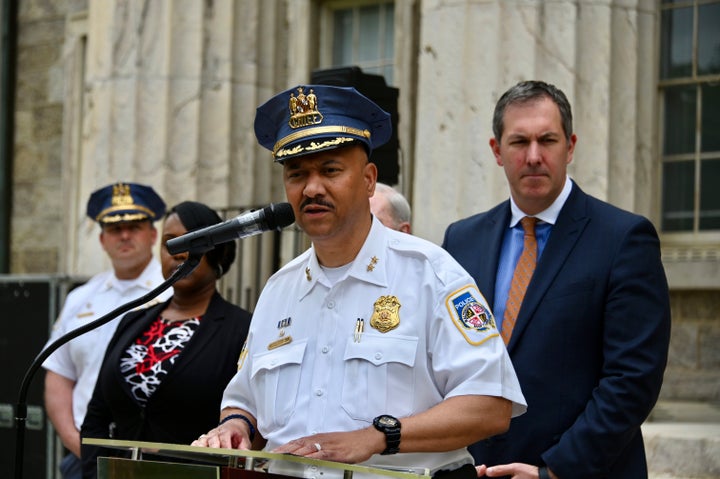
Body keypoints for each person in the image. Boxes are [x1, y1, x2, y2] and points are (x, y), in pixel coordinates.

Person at [192, 84, 526, 479]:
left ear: (369, 180)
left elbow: (491, 404)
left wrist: (377, 437)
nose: (312, 188)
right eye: (297, 174)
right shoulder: (279, 290)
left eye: (330, 170)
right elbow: (244, 401)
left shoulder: (430, 274)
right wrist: (235, 426)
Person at [442, 80, 671, 479]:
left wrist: (554, 471)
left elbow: (632, 380)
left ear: (570, 146)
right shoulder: (461, 240)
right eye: (519, 142)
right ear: (497, 151)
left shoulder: (623, 239)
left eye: (547, 140)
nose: (533, 156)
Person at [80, 201, 252, 478]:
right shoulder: (132, 321)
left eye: (192, 241)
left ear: (217, 251)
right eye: (169, 243)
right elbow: (96, 417)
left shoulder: (242, 328)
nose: (178, 252)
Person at [41, 182, 170, 479]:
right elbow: (59, 375)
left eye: (134, 226)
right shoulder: (81, 298)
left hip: (154, 461)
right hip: (82, 457)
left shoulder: (174, 293)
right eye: (114, 229)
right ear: (101, 239)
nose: (124, 235)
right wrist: (77, 443)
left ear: (153, 235)